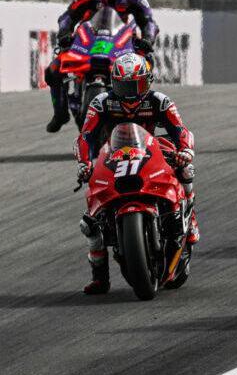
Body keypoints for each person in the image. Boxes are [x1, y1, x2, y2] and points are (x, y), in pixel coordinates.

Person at [74, 53, 198, 295]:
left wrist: (185, 151)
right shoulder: (101, 102)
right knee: (89, 224)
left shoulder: (160, 101)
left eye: (136, 85)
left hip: (152, 149)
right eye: (123, 85)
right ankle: (100, 278)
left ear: (148, 82)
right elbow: (86, 136)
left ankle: (190, 221)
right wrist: (85, 162)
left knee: (185, 168)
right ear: (113, 83)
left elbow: (180, 130)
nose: (130, 91)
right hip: (114, 154)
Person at [47, 0, 161, 132]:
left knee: (147, 64)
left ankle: (143, 115)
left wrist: (147, 39)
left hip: (120, 43)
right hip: (87, 40)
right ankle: (60, 113)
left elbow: (148, 21)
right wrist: (64, 33)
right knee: (54, 70)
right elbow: (69, 15)